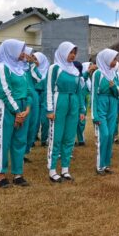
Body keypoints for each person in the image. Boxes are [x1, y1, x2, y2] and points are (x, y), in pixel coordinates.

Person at [0, 39, 32, 188]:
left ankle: (18, 174)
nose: (23, 53)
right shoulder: (3, 67)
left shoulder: (21, 68)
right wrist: (17, 112)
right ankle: (1, 175)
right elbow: (4, 91)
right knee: (4, 141)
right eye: (20, 50)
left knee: (20, 141)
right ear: (12, 50)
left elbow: (28, 90)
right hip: (8, 108)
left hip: (22, 108)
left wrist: (27, 109)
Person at [46, 41, 86, 183]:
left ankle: (65, 169)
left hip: (73, 103)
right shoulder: (55, 68)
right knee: (56, 137)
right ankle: (52, 169)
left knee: (69, 137)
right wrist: (49, 109)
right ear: (63, 52)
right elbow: (49, 88)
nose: (73, 55)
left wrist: (82, 109)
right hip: (59, 101)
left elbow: (79, 92)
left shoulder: (75, 70)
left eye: (74, 52)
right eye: (70, 52)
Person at [91, 49, 119, 175]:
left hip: (113, 106)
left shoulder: (114, 73)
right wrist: (94, 115)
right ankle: (100, 166)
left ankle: (107, 164)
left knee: (110, 136)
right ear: (107, 59)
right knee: (104, 135)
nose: (116, 61)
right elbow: (93, 95)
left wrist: (114, 87)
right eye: (114, 59)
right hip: (101, 105)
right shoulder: (97, 74)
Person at [23, 48, 40, 158]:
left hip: (33, 96)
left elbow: (39, 78)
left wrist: (32, 65)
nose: (31, 57)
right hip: (23, 96)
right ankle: (20, 152)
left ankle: (25, 151)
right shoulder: (17, 68)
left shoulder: (31, 67)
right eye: (30, 55)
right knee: (24, 125)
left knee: (32, 124)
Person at [33, 52, 51, 147]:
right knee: (34, 119)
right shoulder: (32, 71)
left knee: (45, 119)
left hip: (45, 96)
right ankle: (32, 138)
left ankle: (44, 139)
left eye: (36, 59)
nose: (34, 61)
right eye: (33, 59)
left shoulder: (48, 71)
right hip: (35, 95)